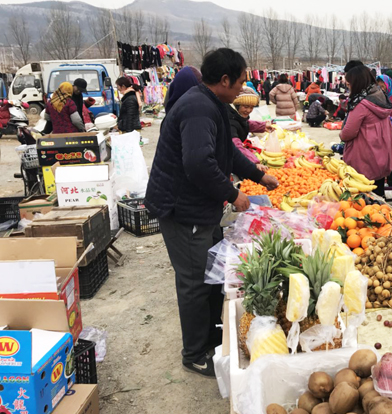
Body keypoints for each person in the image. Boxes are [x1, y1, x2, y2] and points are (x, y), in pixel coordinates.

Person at [145, 48, 280, 377]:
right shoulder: (197, 109)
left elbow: (225, 154)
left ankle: (209, 335)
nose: (243, 91)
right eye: (240, 84)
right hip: (182, 209)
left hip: (197, 207)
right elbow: (198, 163)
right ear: (224, 80)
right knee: (193, 281)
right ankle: (194, 353)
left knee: (207, 277)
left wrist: (258, 175)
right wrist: (233, 195)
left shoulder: (213, 104)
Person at [340, 66, 392, 197]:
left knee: (363, 200)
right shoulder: (380, 97)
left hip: (364, 158)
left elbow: (348, 133)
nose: (348, 88)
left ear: (356, 83)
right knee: (378, 195)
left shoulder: (361, 104)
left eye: (349, 84)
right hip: (381, 154)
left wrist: (341, 134)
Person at [229, 85, 271, 166]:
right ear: (237, 105)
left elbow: (245, 124)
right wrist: (254, 161)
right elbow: (235, 145)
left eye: (251, 107)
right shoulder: (230, 120)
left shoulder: (237, 116)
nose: (248, 110)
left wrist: (263, 126)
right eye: (245, 107)